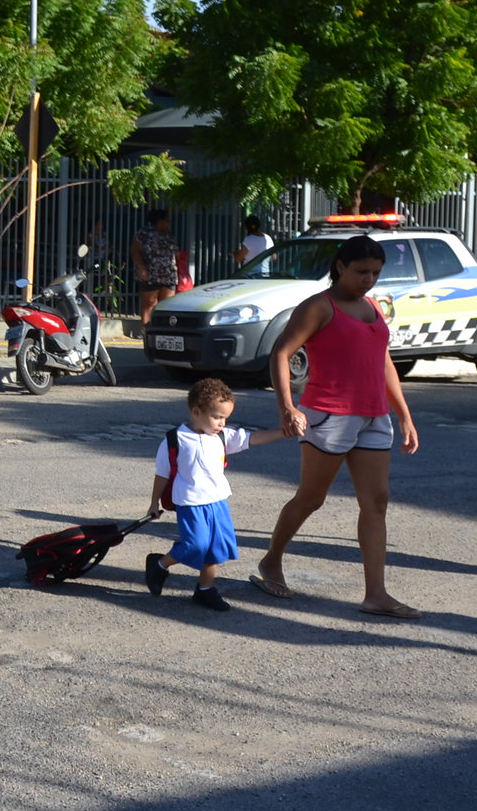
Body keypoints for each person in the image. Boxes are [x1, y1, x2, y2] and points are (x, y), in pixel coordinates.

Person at [251, 234, 422, 618]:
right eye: (362, 271)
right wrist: (286, 407)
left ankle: (376, 594)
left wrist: (404, 415)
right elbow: (281, 352)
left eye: (376, 272)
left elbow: (383, 363)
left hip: (374, 417)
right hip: (329, 414)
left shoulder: (373, 307)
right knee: (311, 498)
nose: (369, 279)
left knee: (376, 501)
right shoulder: (319, 306)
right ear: (341, 266)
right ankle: (271, 560)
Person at [143, 377, 285, 612]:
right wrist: (153, 503)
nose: (222, 423)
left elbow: (252, 438)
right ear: (197, 411)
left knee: (215, 549)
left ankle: (205, 590)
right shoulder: (174, 440)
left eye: (225, 418)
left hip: (218, 501)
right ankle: (159, 564)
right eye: (217, 417)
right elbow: (162, 474)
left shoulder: (221, 437)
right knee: (195, 545)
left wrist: (282, 432)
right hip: (190, 503)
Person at [131, 208, 180, 325]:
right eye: (167, 220)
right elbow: (134, 251)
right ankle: (146, 330)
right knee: (149, 303)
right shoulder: (144, 233)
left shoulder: (169, 235)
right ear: (159, 221)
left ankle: (163, 329)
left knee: (167, 304)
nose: (169, 223)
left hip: (168, 274)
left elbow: (175, 253)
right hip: (151, 273)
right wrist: (142, 269)